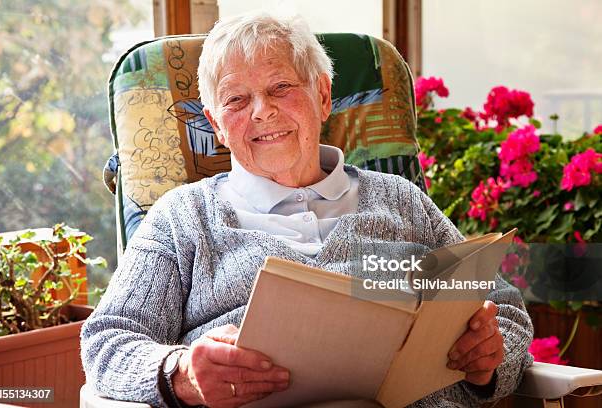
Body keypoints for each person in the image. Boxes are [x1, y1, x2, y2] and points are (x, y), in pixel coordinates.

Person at [81, 11, 533, 408]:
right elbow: (106, 342)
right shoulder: (183, 216)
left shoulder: (401, 200)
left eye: (280, 87)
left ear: (322, 95)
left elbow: (506, 312)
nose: (262, 112)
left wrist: (489, 359)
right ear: (216, 123)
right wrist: (181, 373)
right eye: (236, 100)